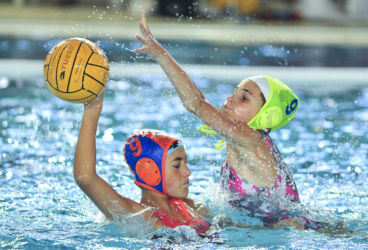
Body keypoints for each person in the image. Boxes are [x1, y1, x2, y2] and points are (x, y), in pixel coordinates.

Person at [133, 11, 324, 230]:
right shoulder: (243, 140)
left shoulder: (251, 140)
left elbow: (197, 104)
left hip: (290, 227)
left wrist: (161, 55)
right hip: (265, 224)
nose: (230, 99)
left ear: (263, 118)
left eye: (243, 98)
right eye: (235, 92)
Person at [73, 93, 210, 234]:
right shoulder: (141, 217)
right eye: (177, 166)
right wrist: (92, 108)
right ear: (149, 172)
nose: (188, 172)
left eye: (186, 163)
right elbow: (85, 177)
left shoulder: (192, 208)